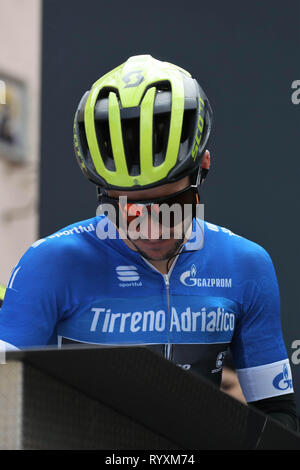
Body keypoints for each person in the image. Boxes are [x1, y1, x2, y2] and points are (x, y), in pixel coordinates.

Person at [0, 55, 298, 431]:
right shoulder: (50, 264)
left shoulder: (246, 266)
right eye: (127, 211)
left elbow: (277, 418)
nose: (152, 229)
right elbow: (2, 409)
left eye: (171, 206)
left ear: (203, 167)